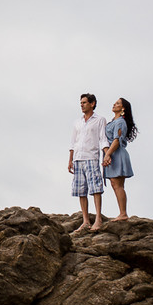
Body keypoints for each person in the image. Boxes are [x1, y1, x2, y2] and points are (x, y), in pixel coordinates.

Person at [68, 93, 107, 231]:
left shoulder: (100, 119)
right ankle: (85, 221)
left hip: (91, 156)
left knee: (96, 188)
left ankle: (98, 219)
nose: (82, 105)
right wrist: (70, 160)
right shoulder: (77, 122)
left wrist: (106, 155)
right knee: (81, 190)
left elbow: (103, 139)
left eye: (84, 102)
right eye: (81, 103)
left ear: (92, 103)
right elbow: (73, 142)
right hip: (78, 158)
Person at [101, 97, 137, 220]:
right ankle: (122, 212)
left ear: (122, 108)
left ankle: (123, 213)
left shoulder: (120, 122)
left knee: (118, 185)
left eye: (117, 103)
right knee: (114, 184)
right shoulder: (113, 121)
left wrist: (108, 154)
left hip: (117, 153)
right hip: (113, 153)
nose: (114, 104)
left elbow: (117, 140)